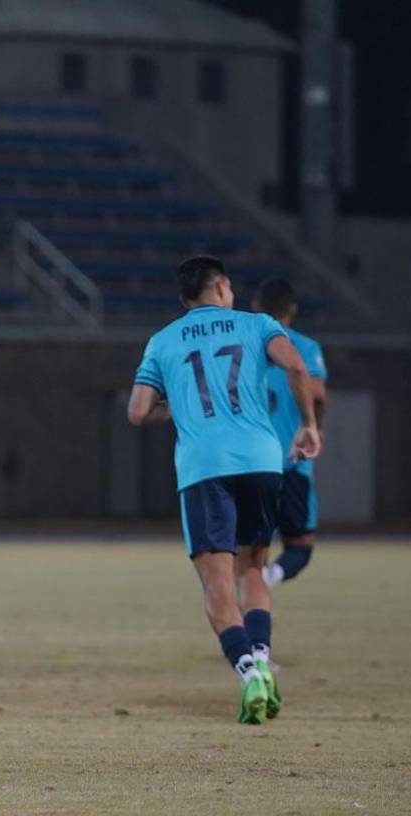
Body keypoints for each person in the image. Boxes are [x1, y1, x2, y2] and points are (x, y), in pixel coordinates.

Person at [127, 256, 321, 724]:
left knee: (217, 583)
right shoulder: (257, 324)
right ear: (224, 287)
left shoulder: (163, 341)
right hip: (260, 460)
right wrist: (308, 426)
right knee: (253, 565)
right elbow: (296, 368)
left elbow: (137, 412)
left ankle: (250, 671)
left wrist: (176, 412)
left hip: (203, 467)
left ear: (185, 299)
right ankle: (262, 658)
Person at [252, 278, 328, 587]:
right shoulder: (305, 348)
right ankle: (271, 579)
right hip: (293, 460)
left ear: (255, 307)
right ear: (292, 309)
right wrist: (313, 427)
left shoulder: (244, 347)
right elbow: (319, 394)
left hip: (250, 463)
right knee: (300, 546)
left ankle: (250, 595)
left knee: (250, 550)